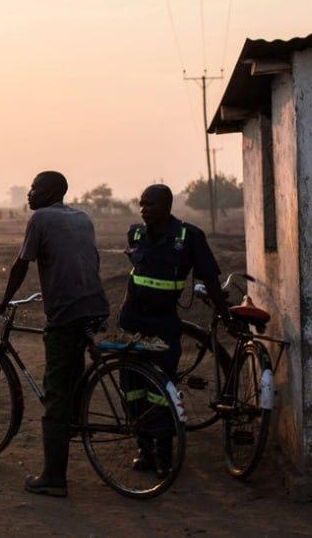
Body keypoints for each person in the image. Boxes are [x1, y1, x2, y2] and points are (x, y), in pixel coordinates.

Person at [0, 171, 109, 497]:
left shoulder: (40, 219)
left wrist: (2, 304)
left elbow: (21, 265)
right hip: (95, 306)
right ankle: (72, 425)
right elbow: (89, 260)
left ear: (53, 191)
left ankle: (54, 478)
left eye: (35, 188)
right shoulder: (82, 217)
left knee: (54, 392)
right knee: (73, 376)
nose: (29, 194)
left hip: (66, 313)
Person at [120, 184, 226, 478]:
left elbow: (210, 277)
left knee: (160, 390)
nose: (144, 210)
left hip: (163, 324)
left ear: (167, 206)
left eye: (150, 204)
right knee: (132, 388)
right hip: (132, 322)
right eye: (141, 204)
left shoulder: (189, 237)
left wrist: (224, 312)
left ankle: (163, 454)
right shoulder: (135, 234)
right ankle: (143, 448)